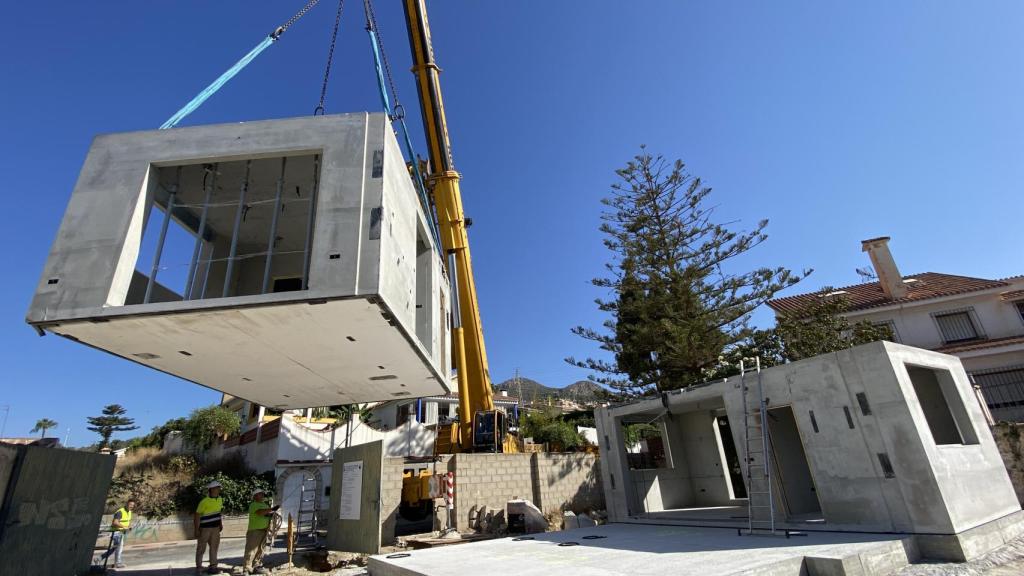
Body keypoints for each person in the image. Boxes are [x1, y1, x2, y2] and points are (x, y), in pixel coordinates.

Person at [243, 489, 279, 575]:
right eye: (260, 494)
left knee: (261, 550)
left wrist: (273, 513)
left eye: (262, 494)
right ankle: (246, 568)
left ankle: (257, 565)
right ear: (255, 496)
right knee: (251, 550)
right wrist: (271, 509)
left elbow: (267, 515)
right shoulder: (253, 505)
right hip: (255, 531)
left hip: (264, 530)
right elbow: (260, 512)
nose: (262, 495)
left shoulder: (265, 505)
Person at [194, 481, 224, 575]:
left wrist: (220, 524)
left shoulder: (220, 499)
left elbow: (219, 513)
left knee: (214, 547)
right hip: (205, 528)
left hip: (215, 528)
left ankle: (213, 566)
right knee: (201, 548)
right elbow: (197, 515)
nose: (218, 489)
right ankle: (199, 567)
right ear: (211, 489)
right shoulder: (204, 501)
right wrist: (196, 529)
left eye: (219, 488)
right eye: (217, 488)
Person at [102, 498, 135, 569]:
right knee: (119, 547)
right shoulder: (120, 512)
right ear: (126, 504)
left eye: (132, 505)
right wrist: (124, 527)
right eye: (130, 505)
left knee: (115, 548)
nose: (131, 506)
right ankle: (118, 563)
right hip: (116, 532)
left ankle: (99, 558)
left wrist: (129, 527)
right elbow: (115, 522)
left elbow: (126, 521)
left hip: (121, 532)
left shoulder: (129, 512)